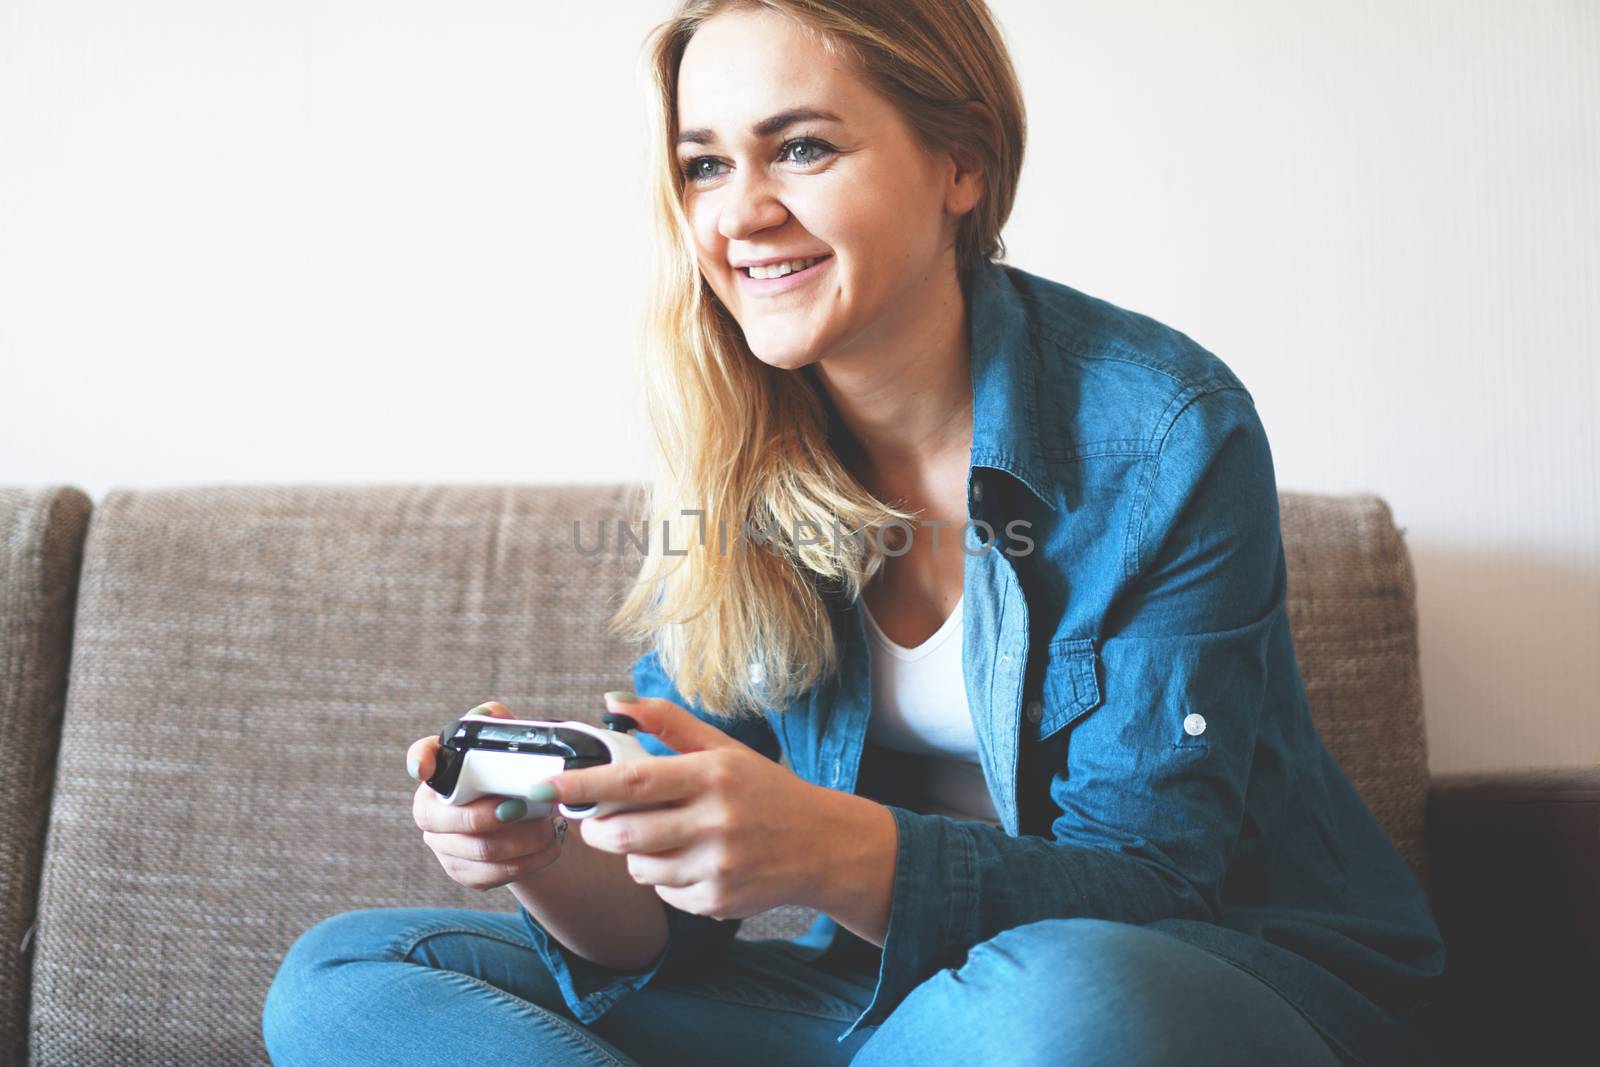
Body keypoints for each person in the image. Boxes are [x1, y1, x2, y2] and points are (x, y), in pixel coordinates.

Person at [262, 1, 1447, 1064]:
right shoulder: (734, 441)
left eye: (803, 147)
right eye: (703, 164)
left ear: (961, 161)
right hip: (893, 1008)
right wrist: (551, 865)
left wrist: (830, 849)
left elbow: (1154, 889)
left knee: (1066, 1000)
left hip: (1203, 985)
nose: (743, 212)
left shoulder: (1161, 429)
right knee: (347, 980)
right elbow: (665, 935)